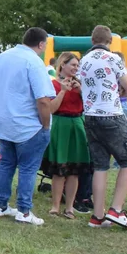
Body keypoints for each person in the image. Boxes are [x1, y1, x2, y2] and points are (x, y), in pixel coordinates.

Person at [0, 27, 56, 226]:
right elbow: (43, 99)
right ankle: (24, 211)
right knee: (28, 168)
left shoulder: (2, 57)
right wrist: (45, 125)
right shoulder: (34, 62)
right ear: (41, 44)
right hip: (27, 125)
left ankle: (0, 205)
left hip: (3, 122)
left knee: (6, 164)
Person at [78, 25, 127, 230]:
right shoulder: (113, 59)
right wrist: (117, 92)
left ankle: (97, 215)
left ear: (92, 41)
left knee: (100, 166)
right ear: (109, 41)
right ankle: (117, 210)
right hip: (111, 114)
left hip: (90, 117)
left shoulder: (83, 61)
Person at [46, 52, 91, 220]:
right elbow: (51, 108)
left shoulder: (81, 85)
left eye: (77, 66)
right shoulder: (53, 84)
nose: (75, 68)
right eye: (73, 65)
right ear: (62, 65)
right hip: (61, 125)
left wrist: (81, 92)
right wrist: (63, 92)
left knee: (75, 170)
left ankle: (70, 207)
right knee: (60, 170)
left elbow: (89, 106)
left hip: (77, 124)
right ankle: (55, 206)